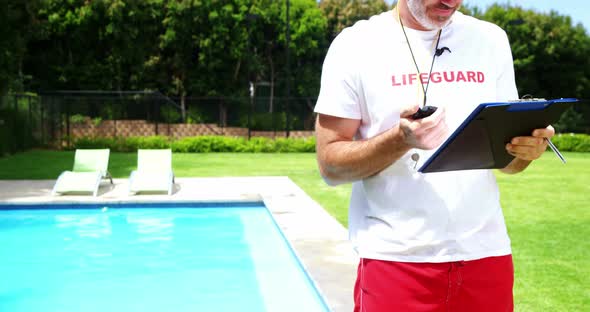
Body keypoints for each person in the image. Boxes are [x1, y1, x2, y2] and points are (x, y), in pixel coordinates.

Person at [314, 0, 554, 311]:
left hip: (487, 256)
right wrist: (400, 140)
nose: (450, 2)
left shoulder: (491, 39)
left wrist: (525, 151)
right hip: (396, 261)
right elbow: (330, 164)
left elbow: (507, 160)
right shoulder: (355, 45)